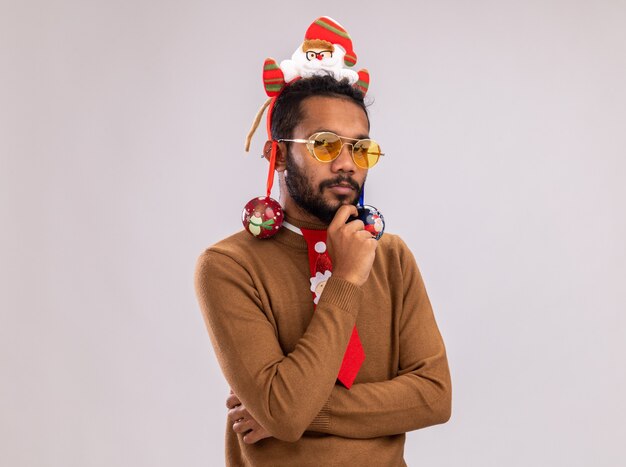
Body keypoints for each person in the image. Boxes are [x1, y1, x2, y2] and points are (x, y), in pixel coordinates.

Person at [194, 74, 452, 466]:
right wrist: (346, 280)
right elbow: (285, 412)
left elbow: (434, 396)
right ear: (278, 155)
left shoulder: (392, 256)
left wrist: (299, 413)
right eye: (325, 145)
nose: (347, 164)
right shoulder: (229, 265)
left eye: (360, 148)